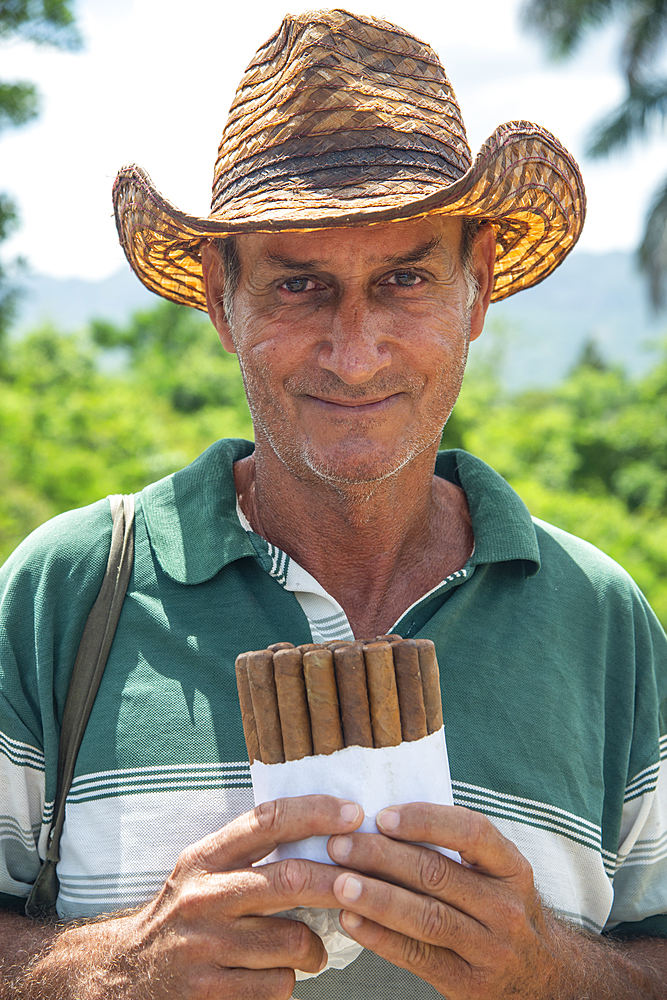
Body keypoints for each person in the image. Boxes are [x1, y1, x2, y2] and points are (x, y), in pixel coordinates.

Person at [1, 9, 666, 999]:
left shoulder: (601, 621)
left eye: (403, 279)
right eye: (300, 285)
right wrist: (107, 968)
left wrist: (553, 971)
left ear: (476, 289)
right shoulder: (66, 594)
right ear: (222, 300)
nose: (353, 353)